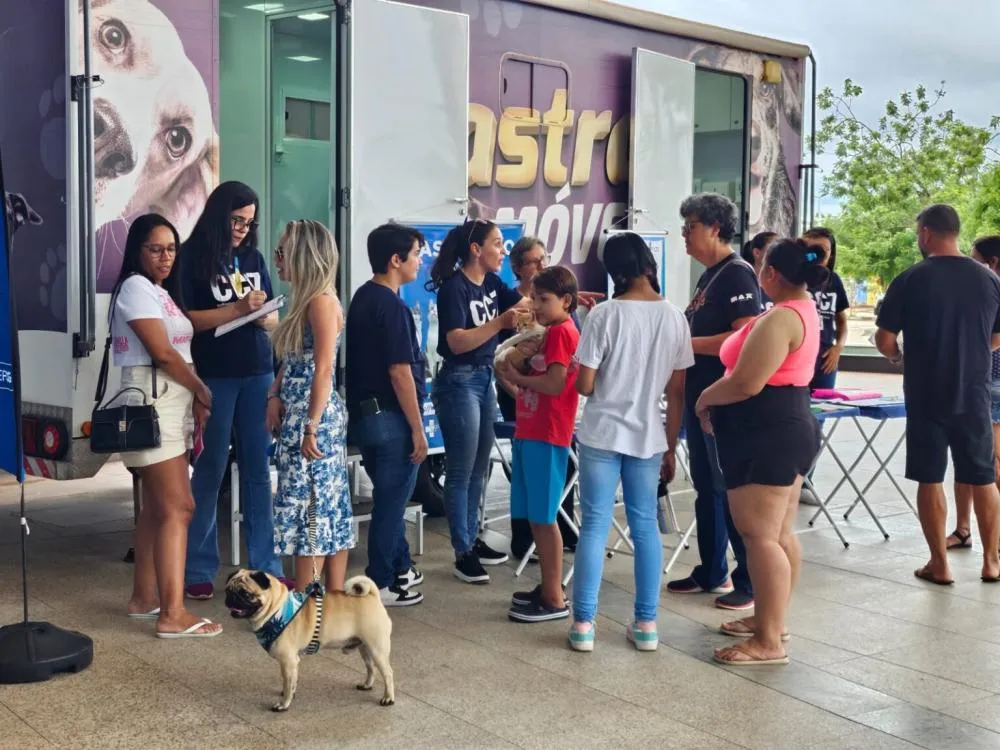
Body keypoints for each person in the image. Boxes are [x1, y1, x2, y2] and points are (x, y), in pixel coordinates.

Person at [696, 238, 824, 666]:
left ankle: (769, 639)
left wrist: (705, 398)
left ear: (770, 275)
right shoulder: (802, 310)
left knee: (761, 537)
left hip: (766, 430)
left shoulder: (781, 318)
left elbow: (746, 382)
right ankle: (771, 620)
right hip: (783, 424)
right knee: (779, 532)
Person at [569, 233, 693, 652]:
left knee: (594, 526)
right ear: (647, 264)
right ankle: (646, 625)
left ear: (614, 270)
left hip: (602, 431)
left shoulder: (603, 315)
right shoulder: (675, 316)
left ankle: (583, 625)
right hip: (649, 435)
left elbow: (585, 385)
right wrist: (672, 445)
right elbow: (677, 392)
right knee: (644, 529)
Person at [875, 206, 1000, 585]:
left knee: (930, 478)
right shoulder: (989, 280)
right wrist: (976, 353)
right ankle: (992, 561)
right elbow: (997, 336)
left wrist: (898, 356)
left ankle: (939, 564)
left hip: (926, 393)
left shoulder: (911, 278)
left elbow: (884, 340)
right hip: (974, 392)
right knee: (983, 477)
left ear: (926, 233)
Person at [115, 214, 222, 639]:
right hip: (152, 403)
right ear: (137, 251)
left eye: (171, 249)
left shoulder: (158, 292)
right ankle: (172, 614)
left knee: (158, 509)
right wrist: (201, 389)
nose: (166, 257)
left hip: (168, 405)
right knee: (180, 507)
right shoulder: (135, 288)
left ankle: (145, 598)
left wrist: (193, 395)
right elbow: (161, 353)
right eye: (156, 249)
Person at [182, 181, 285, 600]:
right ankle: (197, 568)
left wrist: (262, 317)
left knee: (259, 471)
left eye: (249, 221)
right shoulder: (192, 256)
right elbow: (188, 318)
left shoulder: (253, 257)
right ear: (218, 214)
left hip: (258, 370)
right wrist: (237, 309)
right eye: (236, 219)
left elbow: (274, 319)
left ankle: (267, 566)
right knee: (210, 470)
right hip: (216, 375)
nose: (243, 228)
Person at [667, 193, 759, 612]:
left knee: (727, 489)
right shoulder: (710, 276)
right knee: (706, 489)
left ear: (716, 229)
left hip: (725, 402)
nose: (685, 236)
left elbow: (743, 338)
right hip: (701, 399)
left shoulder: (739, 275)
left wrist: (686, 342)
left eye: (691, 228)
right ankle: (711, 569)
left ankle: (748, 579)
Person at [426, 219, 524, 583]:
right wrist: (500, 324)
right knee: (461, 468)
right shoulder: (455, 288)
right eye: (497, 243)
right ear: (475, 249)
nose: (503, 250)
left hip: (485, 378)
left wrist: (564, 296)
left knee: (482, 466)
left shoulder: (494, 282)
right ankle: (462, 549)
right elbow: (456, 342)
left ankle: (472, 534)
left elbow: (524, 304)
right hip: (459, 380)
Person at [267, 219, 354, 591]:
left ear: (303, 255)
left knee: (312, 511)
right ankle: (330, 601)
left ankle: (308, 603)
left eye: (282, 251)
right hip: (302, 411)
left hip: (312, 415)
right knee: (326, 504)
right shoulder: (307, 300)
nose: (276, 259)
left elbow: (323, 369)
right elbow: (294, 360)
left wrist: (311, 425)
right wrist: (274, 394)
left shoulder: (320, 301)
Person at [346, 223, 429, 606]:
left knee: (389, 498)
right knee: (391, 506)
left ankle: (399, 567)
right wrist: (417, 428)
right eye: (415, 254)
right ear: (396, 260)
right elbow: (400, 371)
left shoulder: (362, 297)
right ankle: (380, 583)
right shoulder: (392, 307)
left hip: (365, 418)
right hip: (391, 419)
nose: (420, 261)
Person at [496, 266, 580, 623]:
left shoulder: (562, 332)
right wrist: (515, 375)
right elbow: (533, 382)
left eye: (544, 299)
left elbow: (556, 384)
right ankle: (548, 585)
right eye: (533, 297)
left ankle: (555, 596)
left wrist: (517, 375)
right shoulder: (548, 333)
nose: (537, 305)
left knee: (545, 520)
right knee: (535, 518)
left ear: (566, 301)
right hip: (531, 429)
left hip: (548, 433)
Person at [948, 235, 1000, 552]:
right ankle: (963, 529)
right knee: (966, 458)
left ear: (992, 261)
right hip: (974, 382)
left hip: (990, 383)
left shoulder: (991, 290)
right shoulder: (980, 289)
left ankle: (993, 540)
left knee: (992, 463)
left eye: (976, 258)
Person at [802, 227, 849, 389]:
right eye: (813, 249)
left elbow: (842, 322)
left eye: (824, 250)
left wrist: (838, 348)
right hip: (798, 358)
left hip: (824, 360)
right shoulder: (792, 280)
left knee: (823, 408)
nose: (819, 255)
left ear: (831, 254)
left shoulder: (833, 280)